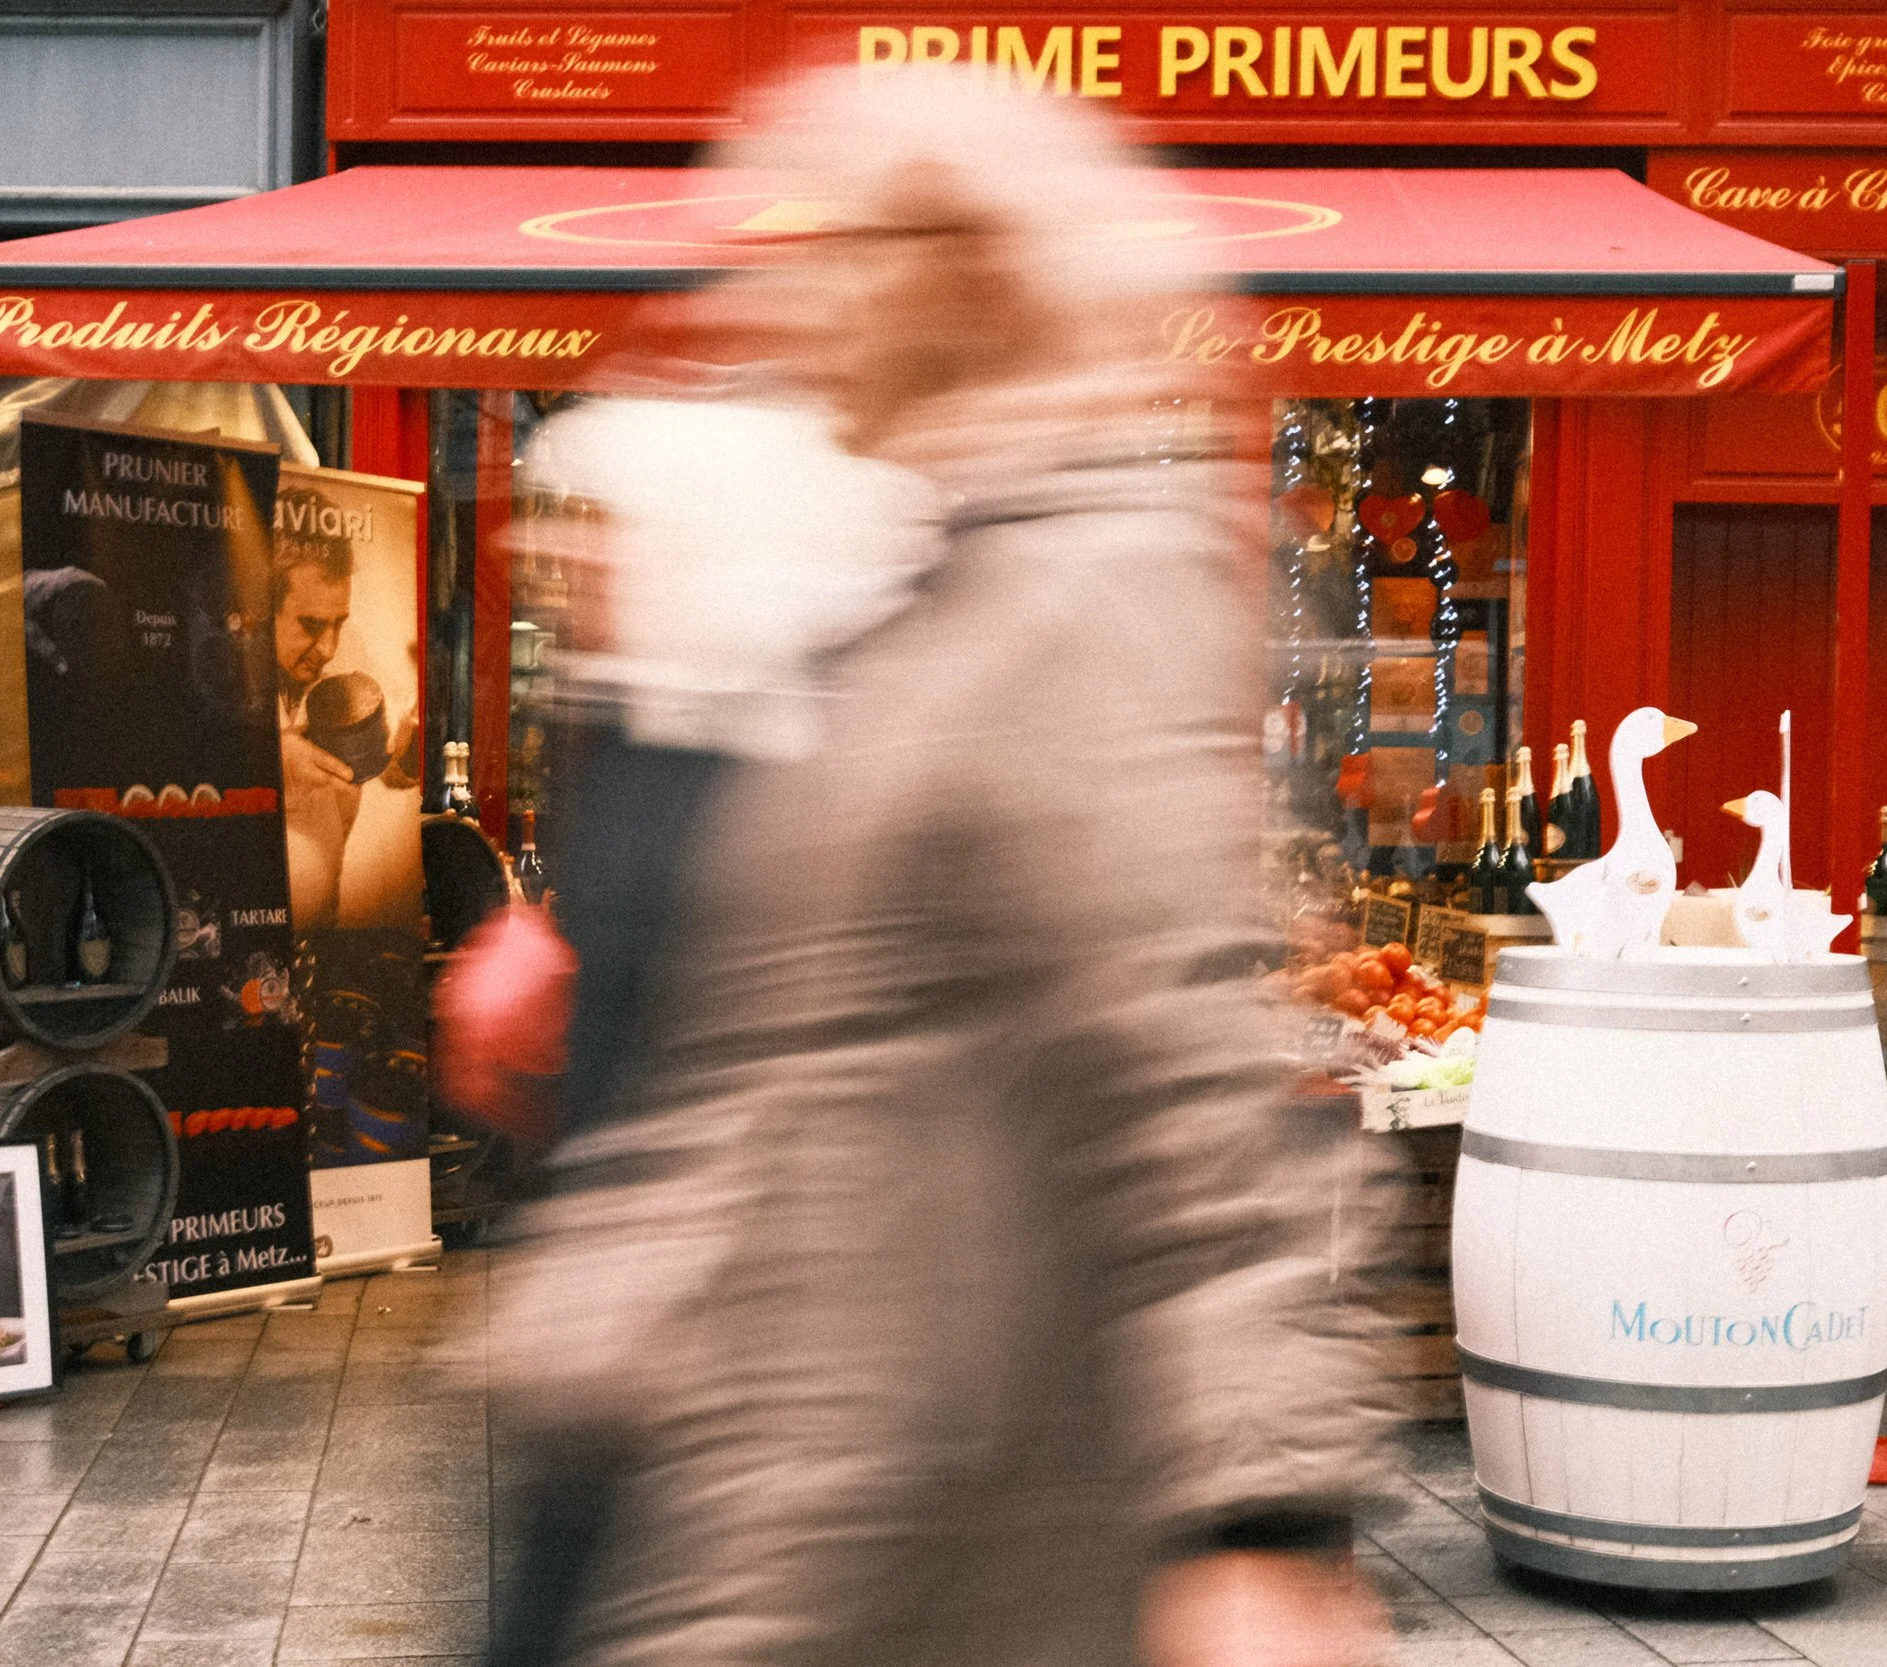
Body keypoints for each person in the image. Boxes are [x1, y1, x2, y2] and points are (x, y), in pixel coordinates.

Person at [487, 67, 1391, 1667]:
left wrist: (1255, 1514)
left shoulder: (1089, 590)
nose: (779, 292)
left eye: (829, 243)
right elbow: (826, 1035)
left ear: (958, 269)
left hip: (947, 1509)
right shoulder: (936, 578)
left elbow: (1186, 1063)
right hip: (793, 1467)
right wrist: (623, 1280)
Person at [273, 485, 414, 925]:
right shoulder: (209, 700)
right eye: (311, 625)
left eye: (339, 624)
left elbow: (391, 769)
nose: (329, 648)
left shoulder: (338, 694)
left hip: (321, 959)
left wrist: (408, 754)